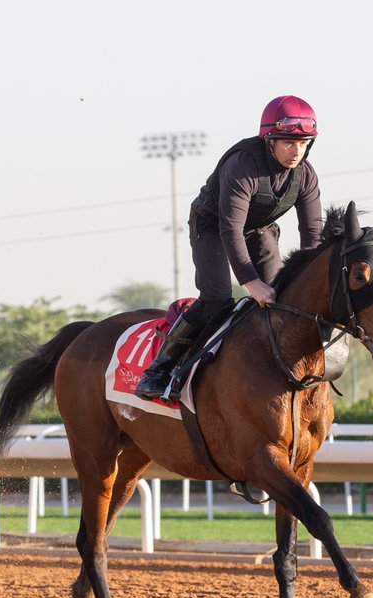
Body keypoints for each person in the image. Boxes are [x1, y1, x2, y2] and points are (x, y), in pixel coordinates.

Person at [134, 95, 324, 402]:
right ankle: (159, 369)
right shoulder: (242, 165)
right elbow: (230, 229)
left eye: (303, 143)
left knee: (283, 299)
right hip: (213, 227)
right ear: (269, 140)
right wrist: (252, 283)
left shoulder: (306, 175)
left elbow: (312, 234)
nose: (296, 151)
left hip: (258, 230)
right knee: (217, 300)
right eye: (288, 142)